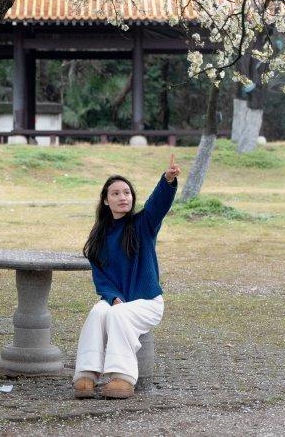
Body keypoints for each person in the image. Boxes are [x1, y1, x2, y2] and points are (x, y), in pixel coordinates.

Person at [73, 153, 180, 399]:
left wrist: (167, 180)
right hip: (118, 300)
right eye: (116, 193)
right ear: (106, 200)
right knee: (98, 311)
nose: (123, 197)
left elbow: (158, 203)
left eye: (127, 193)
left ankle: (122, 378)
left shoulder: (144, 224)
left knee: (118, 314)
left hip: (148, 303)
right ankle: (86, 375)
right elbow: (102, 279)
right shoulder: (98, 238)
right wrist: (113, 297)